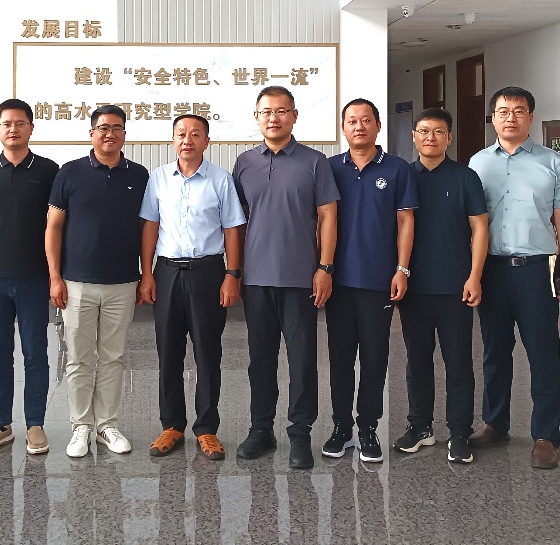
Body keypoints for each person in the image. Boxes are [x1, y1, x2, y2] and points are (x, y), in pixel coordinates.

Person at [468, 87, 560, 470]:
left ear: (530, 117)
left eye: (518, 111)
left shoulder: (552, 162)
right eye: (503, 111)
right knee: (494, 351)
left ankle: (546, 434)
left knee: (543, 352)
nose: (510, 118)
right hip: (492, 270)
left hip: (536, 269)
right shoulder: (478, 163)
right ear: (493, 118)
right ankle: (495, 423)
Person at [233, 86, 340, 470]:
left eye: (281, 111)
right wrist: (235, 271)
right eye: (266, 111)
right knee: (260, 360)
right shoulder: (244, 163)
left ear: (294, 116)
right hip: (256, 279)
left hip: (300, 279)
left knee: (302, 360)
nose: (273, 118)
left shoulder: (314, 162)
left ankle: (300, 433)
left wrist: (324, 267)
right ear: (257, 117)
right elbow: (236, 222)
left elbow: (328, 216)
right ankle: (261, 429)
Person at [138, 114, 246, 460]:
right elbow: (150, 226)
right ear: (173, 140)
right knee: (168, 351)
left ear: (206, 141)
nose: (187, 140)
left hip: (208, 272)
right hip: (167, 271)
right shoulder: (158, 178)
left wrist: (232, 274)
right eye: (181, 134)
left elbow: (232, 229)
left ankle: (207, 428)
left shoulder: (221, 180)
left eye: (195, 134)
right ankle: (171, 425)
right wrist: (147, 273)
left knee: (207, 352)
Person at [46, 105, 150, 458]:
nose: (110, 134)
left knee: (113, 357)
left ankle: (107, 425)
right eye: (103, 128)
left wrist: (145, 274)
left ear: (125, 135)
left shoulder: (139, 175)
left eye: (117, 128)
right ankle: (81, 426)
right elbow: (53, 227)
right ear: (92, 133)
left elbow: (146, 229)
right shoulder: (70, 172)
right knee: (78, 358)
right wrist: (55, 276)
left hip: (123, 282)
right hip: (77, 283)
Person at [0, 99, 59, 457]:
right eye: (7, 124)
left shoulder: (48, 170)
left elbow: (58, 224)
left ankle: (35, 423)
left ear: (31, 128)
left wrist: (56, 273)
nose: (13, 129)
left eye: (20, 123)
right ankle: (1, 424)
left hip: (35, 277)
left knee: (36, 353)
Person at [322, 98, 416, 463]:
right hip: (338, 281)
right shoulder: (329, 168)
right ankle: (341, 428)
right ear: (342, 128)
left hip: (379, 280)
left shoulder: (397, 169)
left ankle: (368, 428)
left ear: (378, 125)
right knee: (340, 358)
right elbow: (320, 220)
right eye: (351, 121)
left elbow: (406, 221)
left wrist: (402, 269)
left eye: (365, 120)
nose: (358, 126)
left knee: (375, 358)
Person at [396, 107, 488, 464]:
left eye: (438, 132)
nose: (430, 137)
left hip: (455, 286)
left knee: (459, 361)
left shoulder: (465, 177)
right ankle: (420, 427)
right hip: (414, 286)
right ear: (414, 136)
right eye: (423, 131)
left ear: (449, 138)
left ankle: (460, 432)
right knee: (417, 360)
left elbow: (480, 227)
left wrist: (474, 275)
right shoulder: (403, 175)